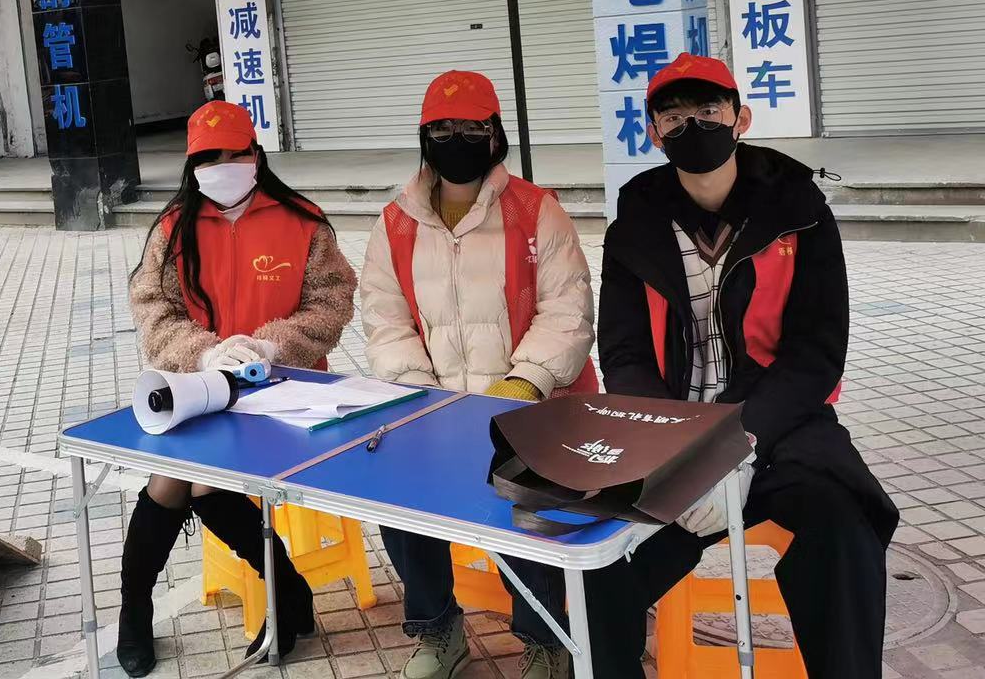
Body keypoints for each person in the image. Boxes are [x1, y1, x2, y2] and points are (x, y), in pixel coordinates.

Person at [585, 53, 899, 679]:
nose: (692, 126)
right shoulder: (635, 225)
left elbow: (817, 351)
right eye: (673, 117)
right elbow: (623, 352)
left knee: (844, 526)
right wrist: (679, 455)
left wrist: (739, 445)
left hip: (776, 426)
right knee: (597, 561)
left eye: (708, 110)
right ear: (653, 133)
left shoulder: (800, 212)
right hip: (669, 431)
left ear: (740, 118)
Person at [360, 70, 597, 679]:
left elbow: (568, 310)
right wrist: (421, 399)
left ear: (495, 134)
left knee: (527, 501)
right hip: (435, 407)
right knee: (397, 488)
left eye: (472, 127)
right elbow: (385, 319)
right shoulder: (394, 222)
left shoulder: (537, 211)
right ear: (424, 137)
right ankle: (438, 630)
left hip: (531, 405)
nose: (457, 139)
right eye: (442, 129)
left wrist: (521, 385)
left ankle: (546, 640)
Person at [120, 101, 358, 677]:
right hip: (202, 386)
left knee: (202, 483)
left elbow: (332, 303)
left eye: (233, 154)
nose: (221, 167)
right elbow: (153, 310)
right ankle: (136, 609)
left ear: (256, 155)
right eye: (208, 158)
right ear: (191, 166)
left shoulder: (303, 222)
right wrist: (205, 353)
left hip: (287, 390)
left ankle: (285, 592)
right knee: (170, 479)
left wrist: (271, 347)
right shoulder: (174, 229)